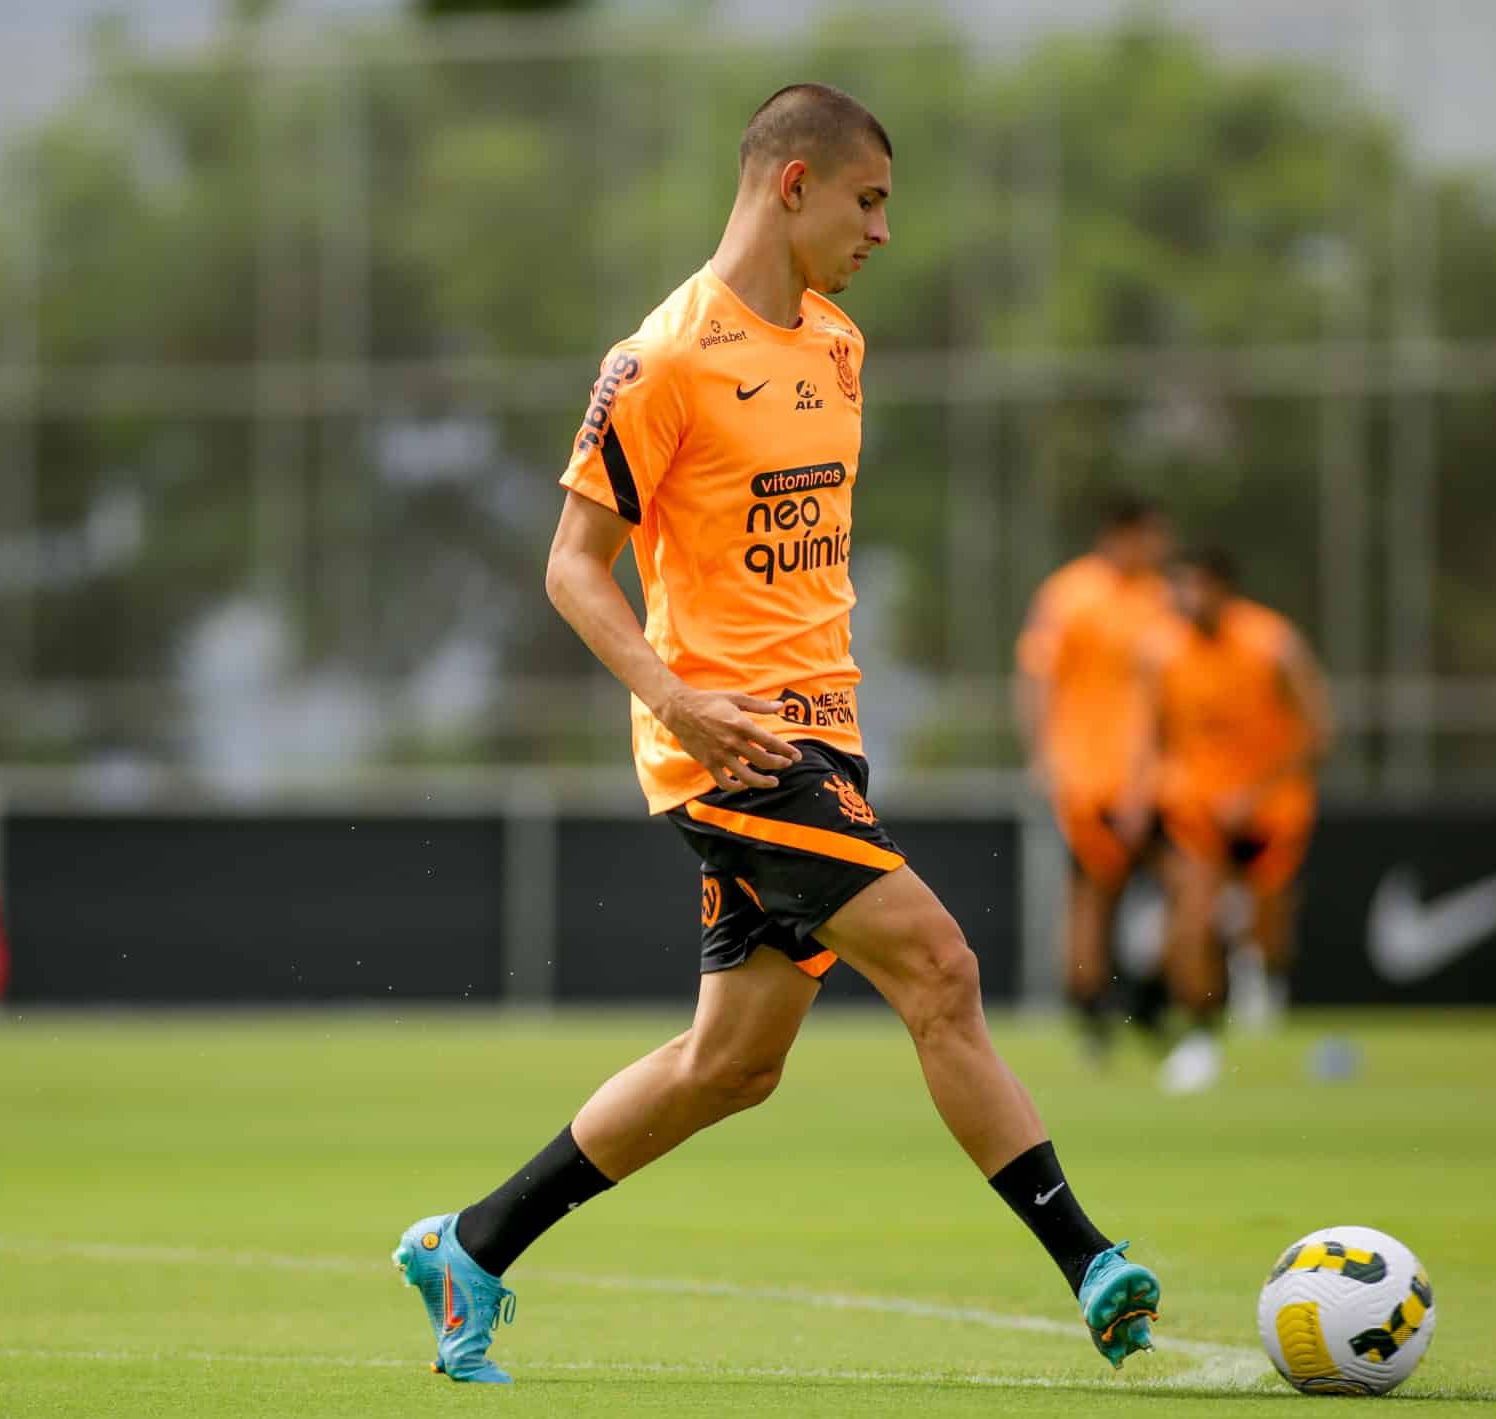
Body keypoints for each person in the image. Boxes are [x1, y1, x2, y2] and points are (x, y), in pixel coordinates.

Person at [390, 83, 1159, 1384]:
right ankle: (1091, 1259)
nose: (884, 231)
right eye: (871, 201)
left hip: (828, 736)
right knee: (941, 967)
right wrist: (677, 697)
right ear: (792, 184)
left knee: (731, 1062)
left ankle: (472, 1241)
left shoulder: (840, 348)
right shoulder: (662, 358)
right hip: (731, 747)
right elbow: (576, 567)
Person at [1148, 548, 1332, 1093]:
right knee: (1193, 922)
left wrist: (1257, 793)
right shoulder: (1162, 653)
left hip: (1272, 812)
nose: (1186, 601)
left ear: (1224, 590)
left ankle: (1263, 973)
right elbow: (1157, 736)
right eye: (1180, 590)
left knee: (1269, 929)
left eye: (1197, 589)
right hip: (1198, 814)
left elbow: (1317, 731)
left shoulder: (1273, 644)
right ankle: (1199, 1036)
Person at [1013, 498, 1173, 1057]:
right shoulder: (1071, 593)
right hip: (1088, 775)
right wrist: (1041, 753)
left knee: (1184, 884)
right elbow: (1037, 675)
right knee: (1093, 894)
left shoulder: (1161, 597)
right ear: (1120, 535)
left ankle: (1154, 1001)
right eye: (1152, 537)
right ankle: (1090, 1012)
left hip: (1154, 777)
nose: (1160, 548)